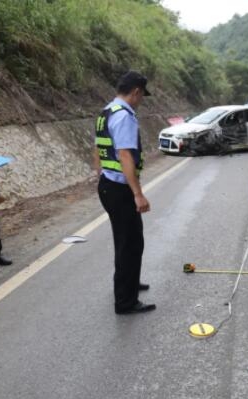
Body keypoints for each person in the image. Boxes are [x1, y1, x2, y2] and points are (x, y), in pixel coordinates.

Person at [94, 71, 155, 315]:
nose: (141, 101)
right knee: (129, 243)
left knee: (128, 240)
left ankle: (129, 284)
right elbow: (125, 154)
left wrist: (100, 175)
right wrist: (138, 194)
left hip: (109, 184)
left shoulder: (106, 112)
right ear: (136, 91)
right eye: (141, 96)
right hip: (119, 188)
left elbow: (98, 149)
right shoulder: (124, 116)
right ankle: (125, 301)